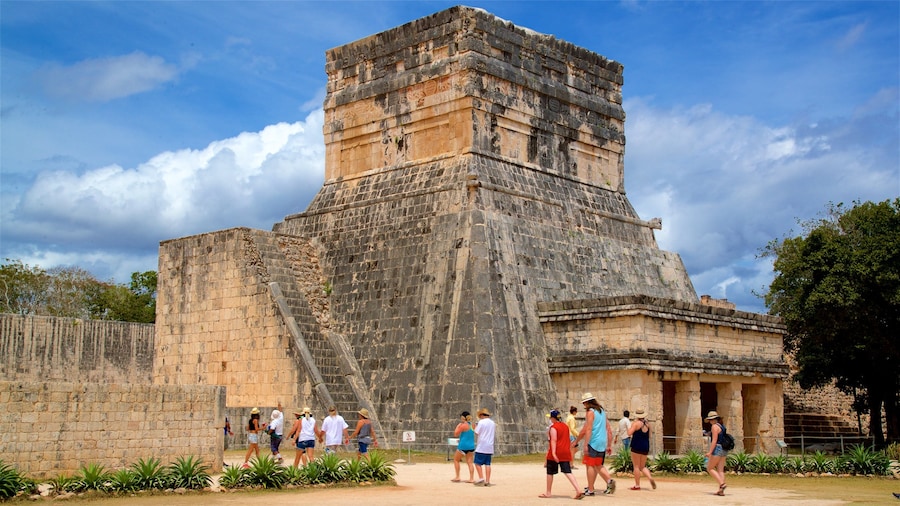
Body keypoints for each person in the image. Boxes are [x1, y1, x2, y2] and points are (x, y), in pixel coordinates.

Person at [572, 392, 615, 496]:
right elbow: (608, 429)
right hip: (602, 441)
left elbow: (588, 428)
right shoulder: (602, 411)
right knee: (597, 464)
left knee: (590, 464)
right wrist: (609, 445)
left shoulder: (590, 412)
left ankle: (596, 487)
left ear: (587, 403)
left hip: (593, 441)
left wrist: (584, 443)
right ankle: (594, 485)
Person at [539, 409, 584, 499]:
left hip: (556, 451)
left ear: (553, 418)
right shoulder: (565, 426)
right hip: (565, 451)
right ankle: (578, 489)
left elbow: (554, 440)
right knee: (568, 471)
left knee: (550, 472)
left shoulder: (553, 427)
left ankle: (548, 492)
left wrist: (553, 453)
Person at [627, 409, 656, 491]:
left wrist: (629, 427)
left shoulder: (636, 424)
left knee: (636, 466)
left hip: (636, 445)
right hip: (645, 446)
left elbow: (629, 433)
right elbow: (650, 436)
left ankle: (637, 485)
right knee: (642, 466)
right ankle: (650, 477)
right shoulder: (648, 424)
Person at [705, 411, 728, 496]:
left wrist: (710, 452)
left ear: (713, 420)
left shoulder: (714, 427)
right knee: (720, 470)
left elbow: (714, 440)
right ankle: (721, 490)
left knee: (710, 468)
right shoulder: (722, 427)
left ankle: (722, 484)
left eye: (710, 420)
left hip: (718, 448)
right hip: (724, 449)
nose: (710, 422)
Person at [473, 407, 496, 487]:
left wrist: (475, 426)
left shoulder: (481, 422)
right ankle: (488, 480)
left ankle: (481, 478)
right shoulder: (493, 423)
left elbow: (476, 432)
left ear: (482, 415)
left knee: (477, 463)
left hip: (482, 445)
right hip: (489, 446)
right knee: (488, 464)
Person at [451, 411, 476, 483]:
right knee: (470, 462)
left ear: (463, 417)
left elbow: (456, 434)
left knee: (456, 460)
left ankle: (457, 476)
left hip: (463, 446)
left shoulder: (463, 425)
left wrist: (458, 426)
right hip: (471, 446)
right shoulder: (472, 425)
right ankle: (471, 478)